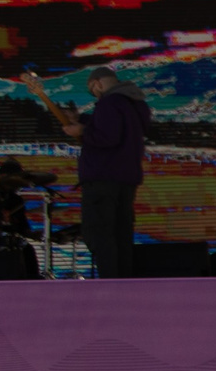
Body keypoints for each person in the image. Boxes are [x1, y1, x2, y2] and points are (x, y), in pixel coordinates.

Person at [21, 67, 151, 279]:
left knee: (99, 234)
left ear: (98, 83)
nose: (96, 95)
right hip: (127, 179)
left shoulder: (110, 103)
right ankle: (124, 283)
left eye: (94, 91)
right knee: (121, 236)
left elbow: (107, 137)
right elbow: (116, 129)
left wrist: (82, 131)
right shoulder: (135, 105)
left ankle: (110, 283)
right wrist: (82, 121)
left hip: (103, 179)